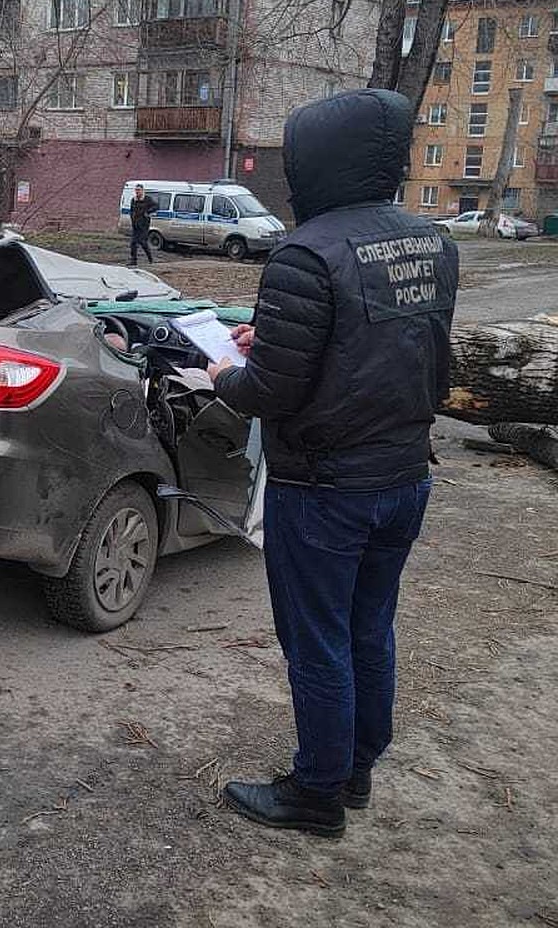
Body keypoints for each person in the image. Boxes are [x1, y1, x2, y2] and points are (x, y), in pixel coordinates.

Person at [206, 89, 458, 838]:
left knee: (317, 641)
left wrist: (218, 375)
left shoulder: (304, 253)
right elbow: (383, 347)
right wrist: (277, 337)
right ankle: (355, 769)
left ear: (316, 160)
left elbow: (267, 393)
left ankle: (315, 793)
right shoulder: (433, 243)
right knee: (368, 629)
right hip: (405, 477)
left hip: (322, 490)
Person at [128, 183, 157, 265]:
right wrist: (132, 218)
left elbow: (156, 206)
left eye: (139, 190)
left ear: (142, 190)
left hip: (144, 225)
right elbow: (131, 210)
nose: (137, 192)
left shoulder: (147, 199)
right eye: (136, 190)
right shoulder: (133, 200)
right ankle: (133, 261)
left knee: (142, 242)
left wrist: (148, 212)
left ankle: (150, 259)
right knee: (133, 243)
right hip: (135, 224)